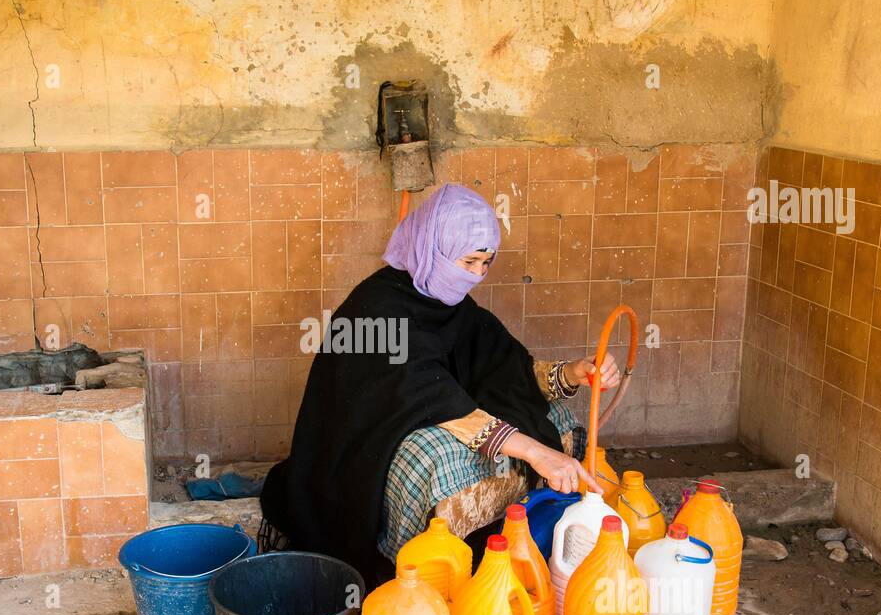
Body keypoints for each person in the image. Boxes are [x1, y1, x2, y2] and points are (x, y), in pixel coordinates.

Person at [259, 183, 620, 587]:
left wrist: (574, 372)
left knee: (553, 416)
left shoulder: (455, 309)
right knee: (441, 458)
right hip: (360, 448)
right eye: (468, 262)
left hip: (436, 410)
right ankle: (424, 573)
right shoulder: (372, 315)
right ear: (434, 248)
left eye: (486, 262)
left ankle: (506, 547)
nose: (477, 275)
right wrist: (534, 452)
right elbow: (425, 394)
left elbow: (505, 369)